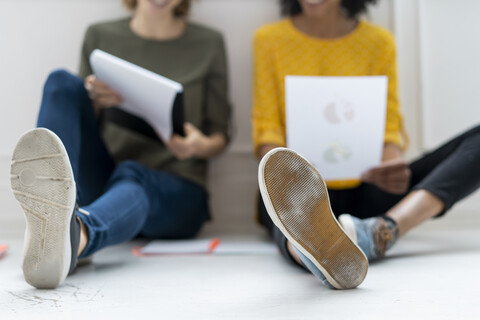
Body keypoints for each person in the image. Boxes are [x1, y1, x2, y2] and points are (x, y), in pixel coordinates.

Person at [253, 0, 480, 289]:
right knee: (281, 203)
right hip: (298, 192)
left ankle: (380, 232)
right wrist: (283, 173)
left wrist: (392, 166)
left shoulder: (378, 42)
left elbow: (389, 124)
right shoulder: (269, 39)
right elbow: (267, 127)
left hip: (366, 189)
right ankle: (310, 254)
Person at [10, 0, 231, 289]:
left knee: (133, 173)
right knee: (61, 82)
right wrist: (95, 101)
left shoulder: (209, 43)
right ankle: (59, 212)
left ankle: (75, 237)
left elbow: (219, 134)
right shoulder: (100, 36)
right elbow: (82, 119)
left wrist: (198, 146)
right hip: (107, 179)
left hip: (179, 191)